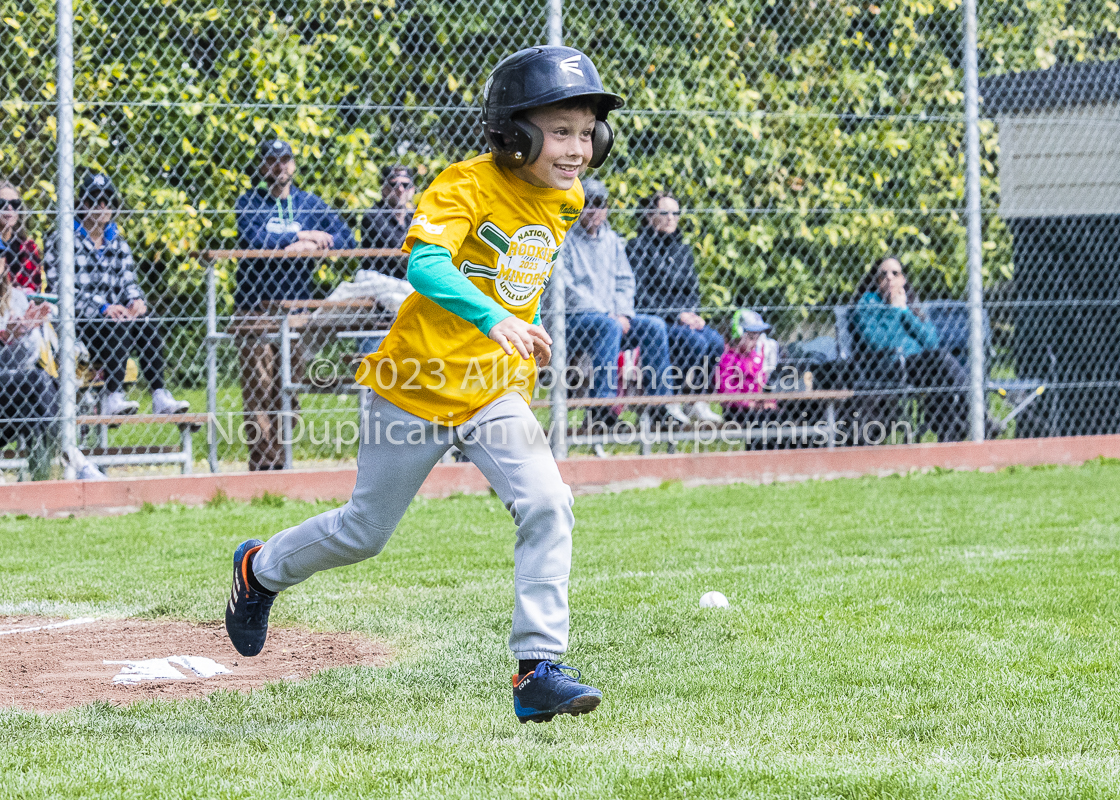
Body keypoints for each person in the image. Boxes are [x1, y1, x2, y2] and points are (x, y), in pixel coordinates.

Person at [224, 45, 621, 724]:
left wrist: (510, 334)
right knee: (363, 533)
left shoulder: (568, 194)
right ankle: (258, 570)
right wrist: (494, 315)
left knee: (549, 502)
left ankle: (537, 670)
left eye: (588, 133)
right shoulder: (463, 185)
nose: (577, 148)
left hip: (493, 388)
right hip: (413, 382)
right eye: (560, 132)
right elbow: (426, 265)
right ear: (513, 132)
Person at [233, 138, 358, 470]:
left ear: (293, 164)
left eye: (285, 159)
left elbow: (348, 238)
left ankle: (280, 460)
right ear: (263, 166)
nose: (280, 166)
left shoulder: (308, 204)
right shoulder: (250, 202)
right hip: (256, 308)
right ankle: (263, 466)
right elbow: (253, 237)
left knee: (289, 390)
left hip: (298, 311)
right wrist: (297, 238)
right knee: (259, 387)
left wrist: (320, 241)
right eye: (273, 160)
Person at [547, 178, 689, 429]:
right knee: (608, 327)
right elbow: (566, 288)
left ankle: (660, 407)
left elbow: (625, 281)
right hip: (572, 322)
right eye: (587, 203)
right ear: (578, 206)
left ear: (606, 207)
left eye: (599, 203)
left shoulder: (612, 240)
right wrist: (607, 314)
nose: (593, 210)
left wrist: (622, 313)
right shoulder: (564, 239)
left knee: (654, 326)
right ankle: (602, 412)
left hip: (611, 319)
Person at [44, 173, 190, 417]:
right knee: (117, 322)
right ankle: (113, 396)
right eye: (95, 200)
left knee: (146, 321)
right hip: (77, 324)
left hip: (113, 321)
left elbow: (128, 281)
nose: (103, 206)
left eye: (108, 200)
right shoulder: (61, 239)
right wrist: (103, 307)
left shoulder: (118, 241)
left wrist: (136, 301)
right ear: (83, 203)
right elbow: (60, 289)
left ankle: (159, 395)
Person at [628, 191, 724, 424]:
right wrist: (677, 315)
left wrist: (692, 314)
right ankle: (672, 400)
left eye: (675, 213)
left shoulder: (683, 251)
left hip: (683, 318)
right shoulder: (637, 248)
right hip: (657, 318)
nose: (671, 218)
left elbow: (692, 290)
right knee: (695, 343)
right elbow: (640, 294)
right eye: (665, 212)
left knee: (715, 342)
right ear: (650, 216)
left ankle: (695, 402)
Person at [853, 255, 969, 441]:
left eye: (895, 273)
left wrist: (905, 311)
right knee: (939, 362)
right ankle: (975, 415)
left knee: (940, 364)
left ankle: (954, 432)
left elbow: (931, 342)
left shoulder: (911, 305)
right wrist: (894, 311)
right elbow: (877, 343)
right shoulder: (868, 303)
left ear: (903, 279)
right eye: (883, 274)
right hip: (888, 368)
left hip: (921, 367)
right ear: (876, 281)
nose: (889, 278)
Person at [716, 309, 779, 424]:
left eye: (757, 337)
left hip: (756, 407)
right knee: (763, 422)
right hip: (737, 411)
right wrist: (748, 403)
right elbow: (726, 391)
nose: (755, 342)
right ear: (738, 334)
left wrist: (769, 401)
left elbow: (762, 384)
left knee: (780, 417)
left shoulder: (755, 357)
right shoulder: (728, 358)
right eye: (751, 337)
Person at [360, 164, 415, 280]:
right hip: (380, 280)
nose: (400, 189)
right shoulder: (373, 216)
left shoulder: (413, 217)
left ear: (412, 190)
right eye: (394, 184)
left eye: (405, 185)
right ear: (384, 188)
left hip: (406, 281)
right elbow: (401, 249)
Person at [0, 180, 44, 293]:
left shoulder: (28, 247)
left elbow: (35, 288)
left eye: (14, 204)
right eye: (2, 203)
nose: (9, 208)